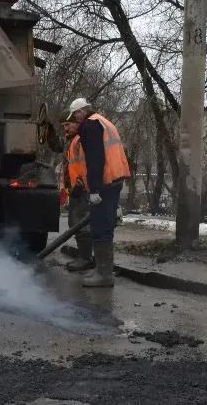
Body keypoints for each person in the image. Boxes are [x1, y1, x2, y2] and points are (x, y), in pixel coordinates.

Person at [63, 98, 130, 287]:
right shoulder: (104, 122)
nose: (76, 120)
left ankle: (104, 274)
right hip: (114, 180)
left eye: (75, 116)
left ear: (81, 113)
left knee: (100, 227)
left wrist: (94, 189)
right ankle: (102, 269)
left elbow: (95, 159)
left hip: (104, 183)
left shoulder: (90, 126)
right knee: (104, 225)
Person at [57, 109, 96, 272]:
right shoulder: (71, 139)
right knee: (75, 221)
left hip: (83, 188)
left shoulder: (83, 139)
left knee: (79, 222)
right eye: (63, 126)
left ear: (77, 122)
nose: (65, 128)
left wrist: (80, 183)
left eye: (68, 124)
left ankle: (85, 259)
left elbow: (89, 163)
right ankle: (85, 256)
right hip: (76, 187)